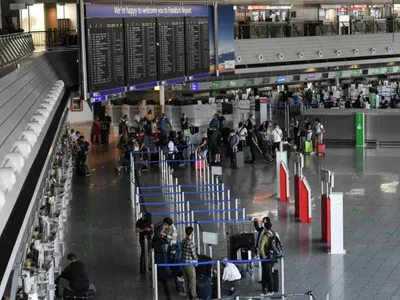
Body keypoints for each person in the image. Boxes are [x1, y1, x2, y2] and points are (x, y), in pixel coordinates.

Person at [260, 222, 280, 297]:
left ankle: (270, 290)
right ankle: (265, 288)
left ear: (265, 228)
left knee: (267, 273)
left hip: (267, 257)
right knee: (268, 272)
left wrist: (264, 256)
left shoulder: (265, 236)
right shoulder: (275, 233)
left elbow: (261, 248)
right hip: (274, 256)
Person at [181, 227, 198, 300]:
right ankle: (194, 296)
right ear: (191, 233)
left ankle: (188, 297)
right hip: (189, 264)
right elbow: (194, 255)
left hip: (183, 263)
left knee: (186, 280)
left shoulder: (183, 240)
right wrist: (197, 261)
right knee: (192, 280)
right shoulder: (190, 243)